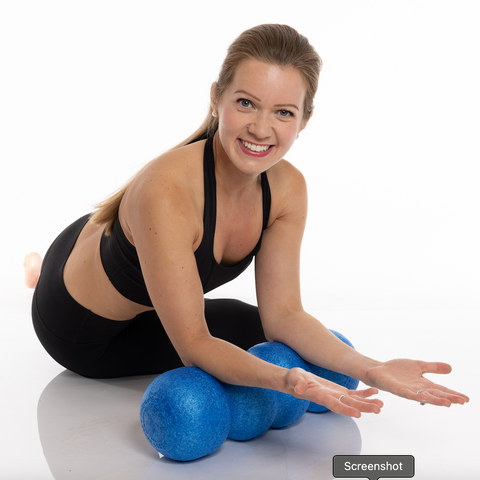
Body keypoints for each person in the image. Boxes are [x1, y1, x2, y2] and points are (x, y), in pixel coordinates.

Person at [25, 24, 468, 419]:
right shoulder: (167, 191)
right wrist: (288, 381)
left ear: (304, 120)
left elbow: (285, 316)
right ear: (217, 98)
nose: (260, 128)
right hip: (80, 329)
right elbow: (194, 344)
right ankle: (39, 274)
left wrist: (373, 367)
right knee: (242, 349)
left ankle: (40, 265)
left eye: (283, 112)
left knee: (253, 328)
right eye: (246, 103)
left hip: (113, 253)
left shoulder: (287, 190)